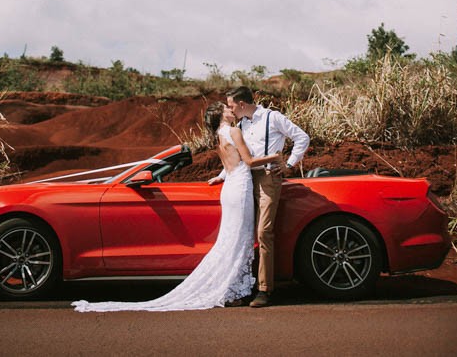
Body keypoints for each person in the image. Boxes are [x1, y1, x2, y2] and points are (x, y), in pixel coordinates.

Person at [71, 102, 282, 313]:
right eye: (228, 109)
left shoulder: (218, 135)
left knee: (230, 240)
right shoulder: (234, 130)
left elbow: (230, 165)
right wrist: (276, 156)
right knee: (239, 240)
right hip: (241, 189)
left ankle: (228, 289)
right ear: (221, 114)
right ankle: (229, 290)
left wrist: (219, 177)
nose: (232, 110)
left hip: (230, 188)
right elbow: (248, 160)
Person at [216, 85, 310, 308]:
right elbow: (238, 154)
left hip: (268, 178)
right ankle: (243, 287)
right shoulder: (241, 124)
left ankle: (264, 290)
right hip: (245, 181)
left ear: (241, 104)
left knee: (263, 232)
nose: (229, 110)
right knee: (245, 233)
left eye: (231, 106)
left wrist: (288, 164)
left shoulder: (272, 117)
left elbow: (302, 138)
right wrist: (221, 175)